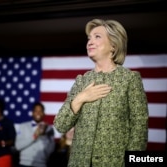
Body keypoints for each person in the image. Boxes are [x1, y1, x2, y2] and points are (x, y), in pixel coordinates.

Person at [54, 19, 148, 167]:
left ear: (114, 45)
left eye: (97, 36)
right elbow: (60, 125)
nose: (90, 42)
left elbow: (139, 127)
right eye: (89, 38)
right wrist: (80, 98)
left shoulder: (130, 79)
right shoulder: (81, 81)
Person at [15, 102, 55, 167]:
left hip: (41, 164)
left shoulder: (49, 129)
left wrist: (43, 135)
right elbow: (18, 146)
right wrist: (34, 136)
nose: (38, 113)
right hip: (24, 163)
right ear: (32, 113)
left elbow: (50, 150)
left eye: (40, 111)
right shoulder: (23, 126)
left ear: (44, 114)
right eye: (36, 111)